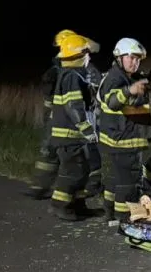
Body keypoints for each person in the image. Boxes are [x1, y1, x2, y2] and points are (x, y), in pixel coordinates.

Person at [96, 37, 151, 226]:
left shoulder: (128, 76)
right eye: (131, 58)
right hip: (125, 140)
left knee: (116, 179)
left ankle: (110, 212)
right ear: (119, 57)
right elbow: (112, 101)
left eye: (138, 59)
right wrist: (129, 91)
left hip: (118, 139)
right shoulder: (115, 79)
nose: (135, 62)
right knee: (129, 182)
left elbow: (146, 81)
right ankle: (125, 217)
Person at [47, 31, 101, 220]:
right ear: (79, 56)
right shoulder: (71, 76)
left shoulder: (72, 75)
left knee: (82, 170)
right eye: (87, 54)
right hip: (68, 135)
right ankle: (60, 205)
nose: (89, 57)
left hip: (71, 136)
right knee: (73, 171)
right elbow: (73, 105)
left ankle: (78, 205)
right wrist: (86, 128)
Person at [24, 30, 70, 199]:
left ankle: (42, 187)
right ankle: (45, 187)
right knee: (54, 152)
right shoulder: (62, 68)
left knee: (52, 153)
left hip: (58, 117)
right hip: (60, 117)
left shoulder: (59, 68)